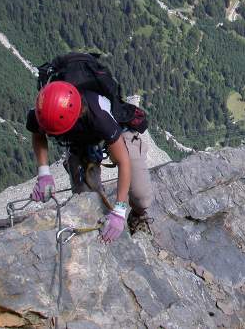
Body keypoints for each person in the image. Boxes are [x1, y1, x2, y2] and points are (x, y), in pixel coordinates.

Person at [27, 80, 153, 243]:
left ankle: (137, 216)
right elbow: (37, 134)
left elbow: (123, 161)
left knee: (141, 196)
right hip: (80, 139)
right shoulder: (44, 109)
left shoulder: (99, 116)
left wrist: (120, 210)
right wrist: (44, 173)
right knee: (86, 202)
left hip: (119, 129)